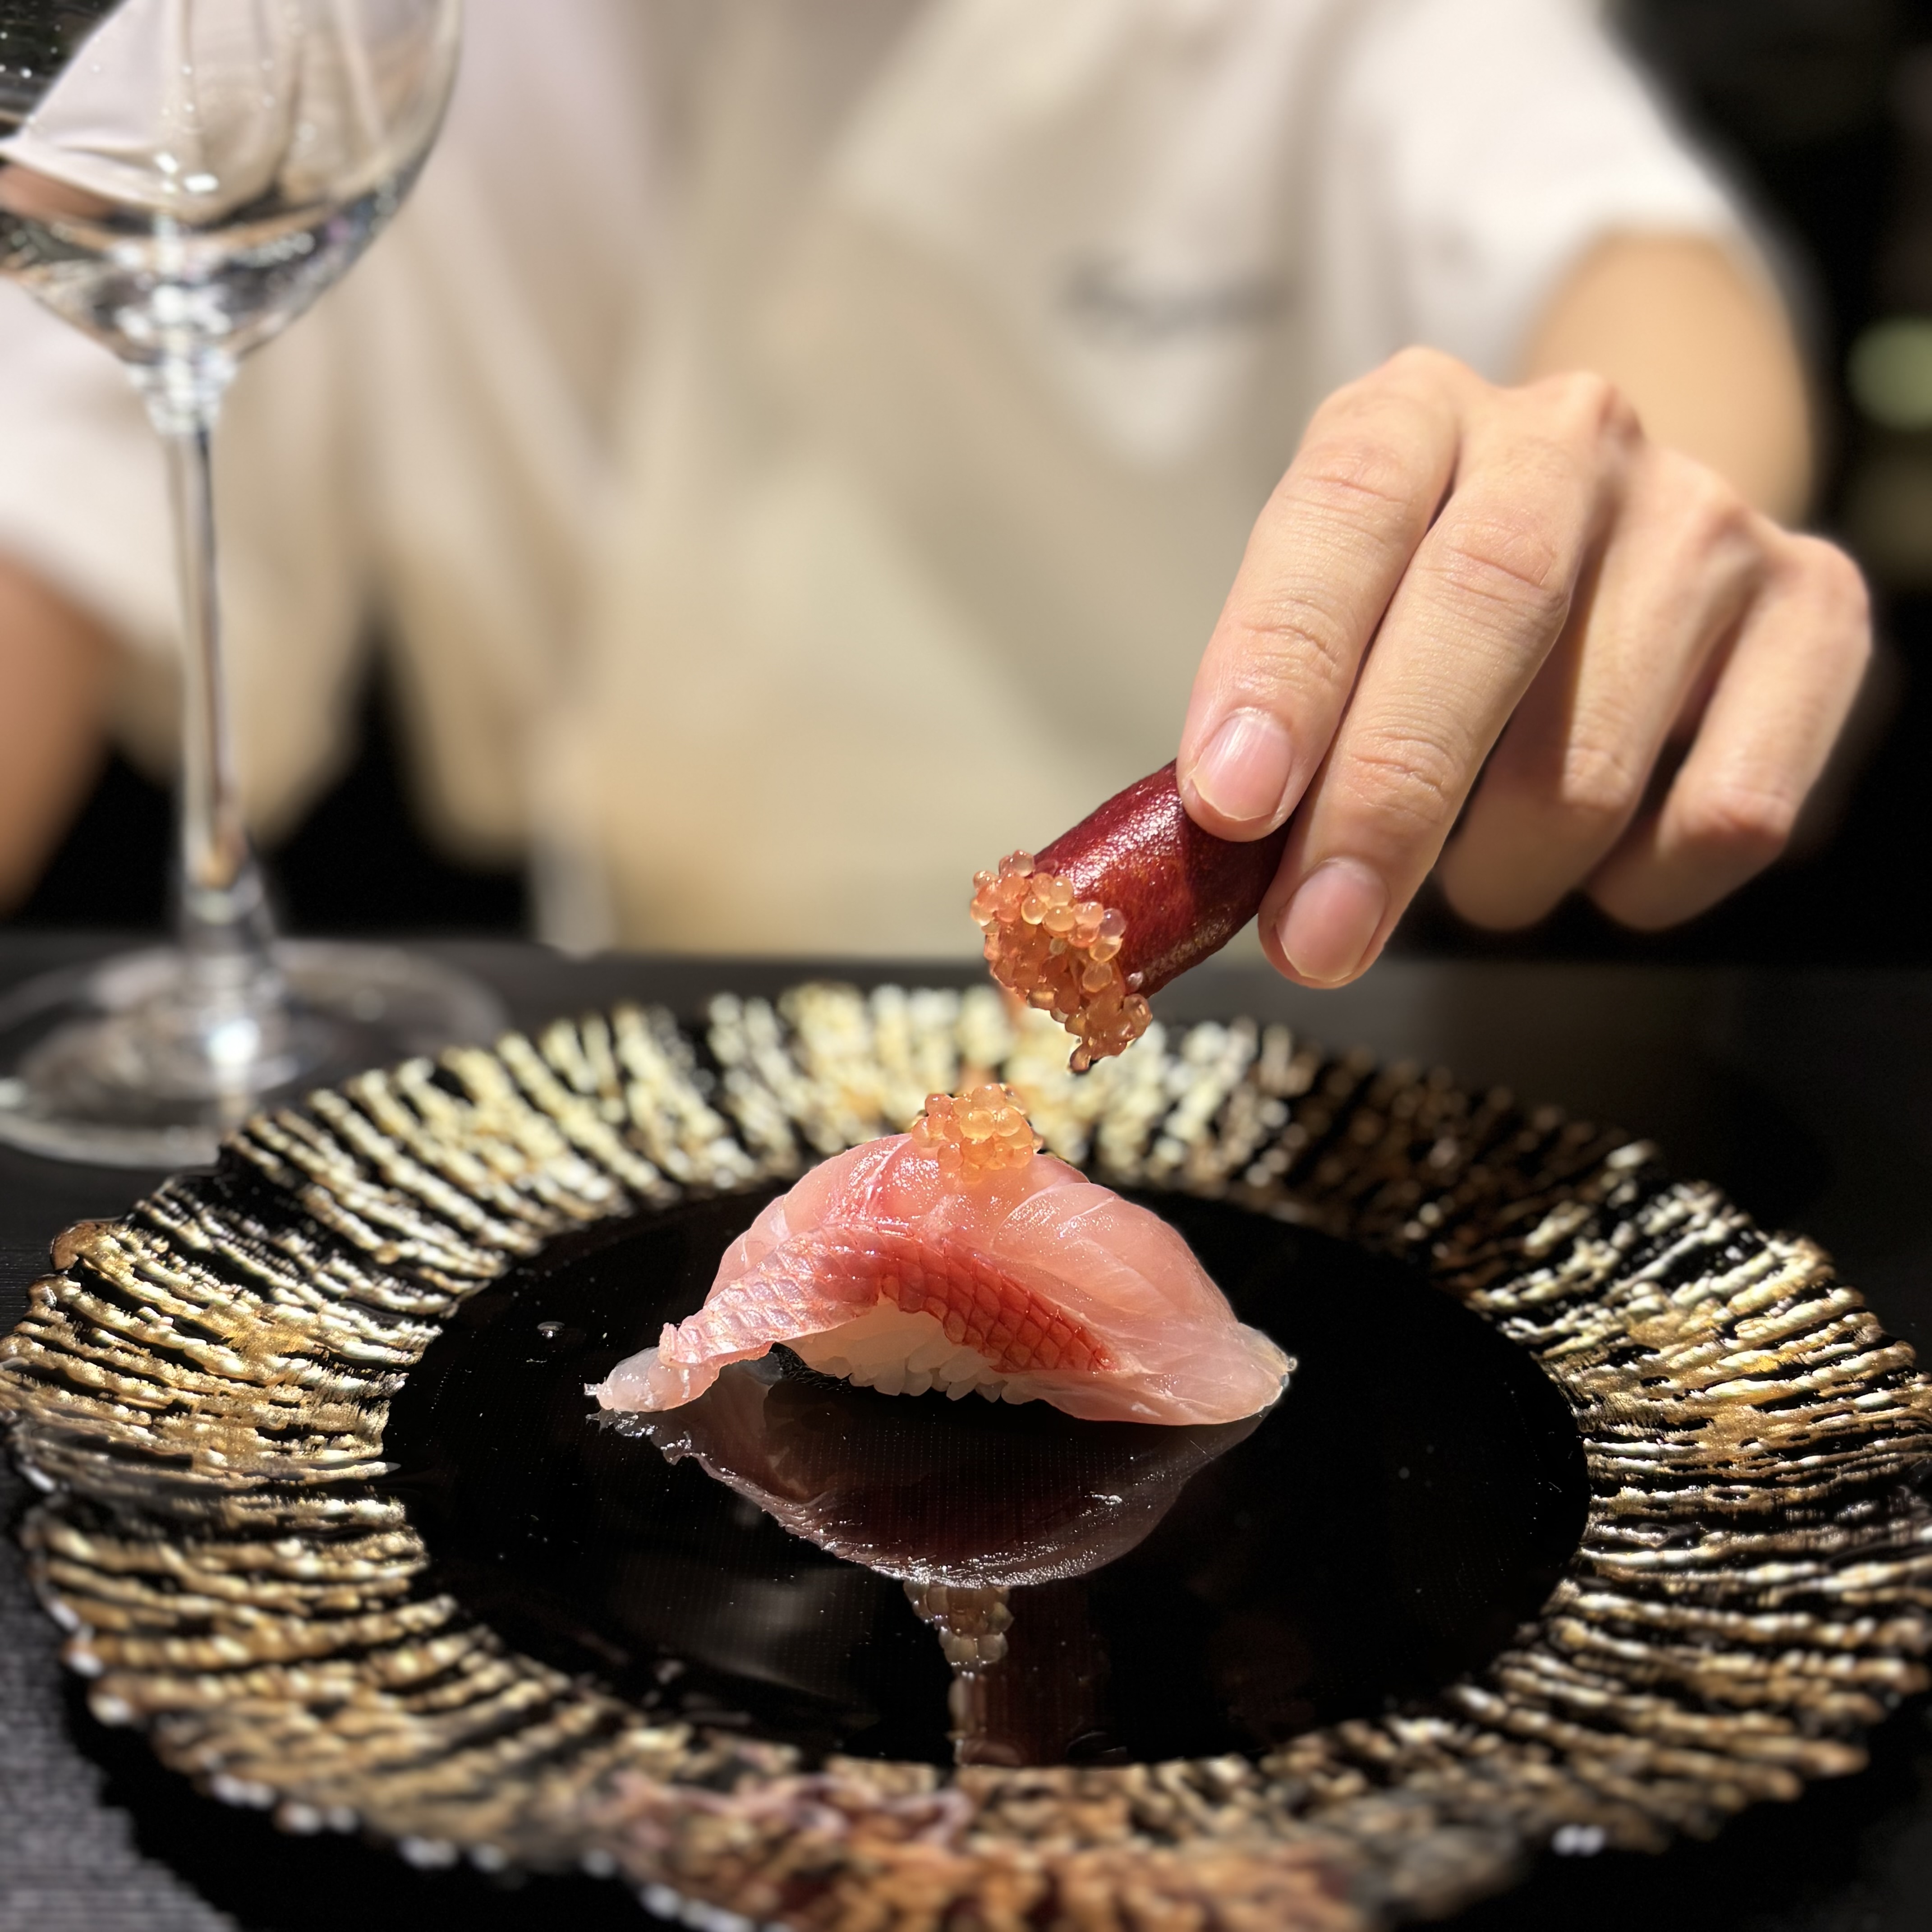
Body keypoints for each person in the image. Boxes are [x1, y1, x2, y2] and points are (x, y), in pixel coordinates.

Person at [0, 0, 1868, 989]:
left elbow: (1632, 262)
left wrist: (1627, 514)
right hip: (627, 1036)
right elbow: (47, 462)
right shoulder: (348, 28)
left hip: (1285, 1029)